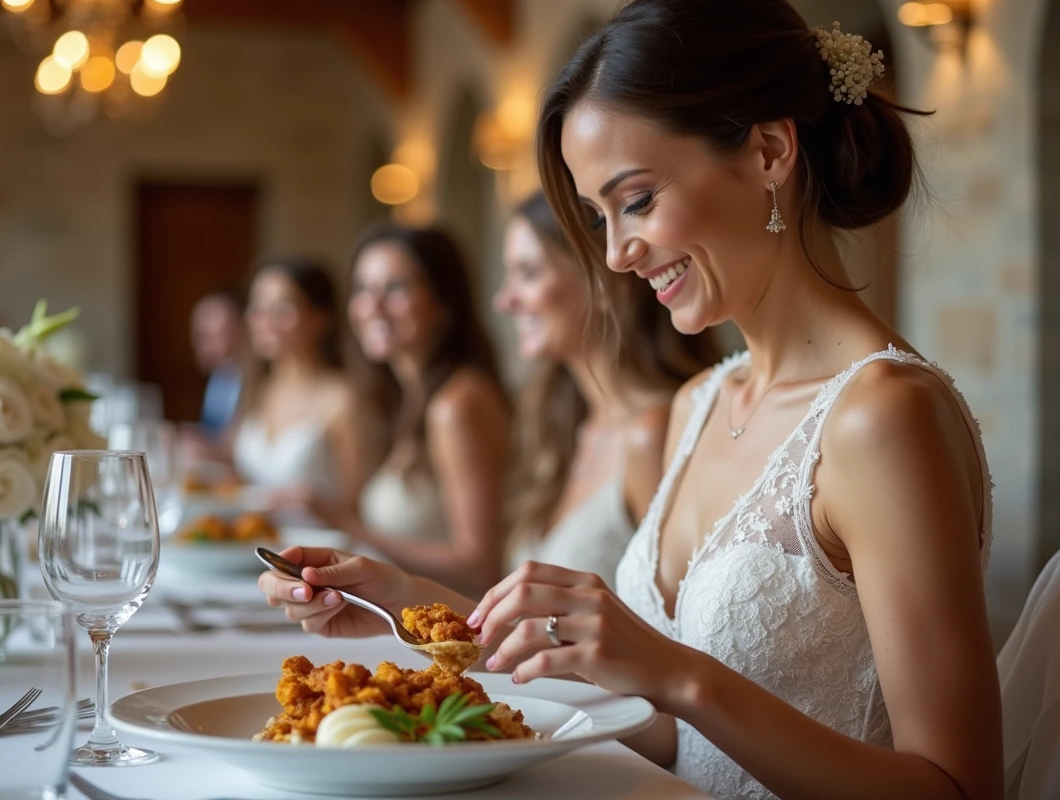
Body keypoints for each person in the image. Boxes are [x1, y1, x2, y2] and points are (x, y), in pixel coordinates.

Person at [259, 3, 1002, 799]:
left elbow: (957, 787)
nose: (615, 255)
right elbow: (668, 734)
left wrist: (680, 675)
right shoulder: (700, 404)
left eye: (638, 200)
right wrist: (408, 605)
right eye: (598, 218)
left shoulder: (883, 416)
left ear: (768, 150)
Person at [498, 191, 718, 587]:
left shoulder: (654, 432)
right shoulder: (565, 424)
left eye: (528, 273)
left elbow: (676, 626)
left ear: (602, 283)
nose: (505, 300)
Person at [281, 224, 510, 597]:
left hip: (457, 635)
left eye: (396, 288)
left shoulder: (456, 406)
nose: (372, 307)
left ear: (444, 302)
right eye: (362, 289)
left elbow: (480, 567)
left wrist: (347, 524)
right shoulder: (401, 401)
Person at [231, 258, 362, 506]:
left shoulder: (343, 397)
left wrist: (313, 503)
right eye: (257, 307)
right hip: (252, 538)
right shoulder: (259, 388)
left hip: (317, 541)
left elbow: (357, 505)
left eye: (283, 309)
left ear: (321, 318)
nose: (265, 321)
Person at [190, 290, 246, 439]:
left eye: (218, 335)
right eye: (201, 335)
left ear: (242, 330)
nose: (208, 346)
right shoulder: (219, 378)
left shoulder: (257, 381)